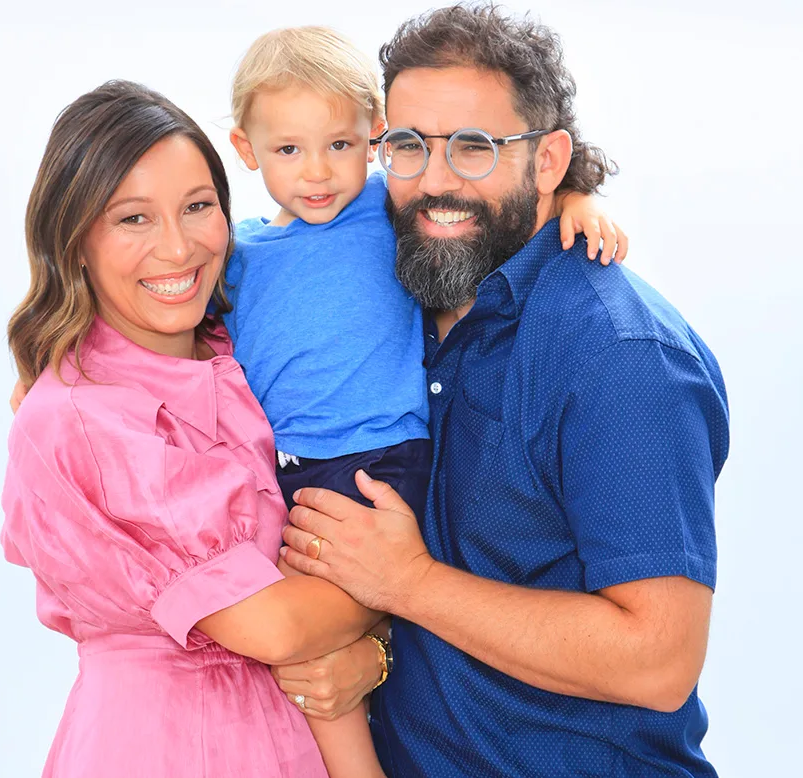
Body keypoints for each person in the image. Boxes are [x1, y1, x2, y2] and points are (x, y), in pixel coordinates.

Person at [279, 6, 730, 777]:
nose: (436, 181)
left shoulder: (620, 357)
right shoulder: (402, 298)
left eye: (477, 148)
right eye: (410, 147)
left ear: (551, 161)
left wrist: (411, 585)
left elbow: (657, 661)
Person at [0, 80, 389, 778]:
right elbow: (274, 625)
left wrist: (574, 194)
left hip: (289, 740)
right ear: (75, 241)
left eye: (198, 207)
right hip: (168, 751)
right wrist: (405, 583)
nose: (177, 249)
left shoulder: (232, 351)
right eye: (133, 219)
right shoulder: (82, 418)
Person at [223, 26, 626, 519]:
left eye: (338, 145)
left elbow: (502, 191)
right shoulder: (236, 254)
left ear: (373, 134)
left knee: (359, 579)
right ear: (246, 149)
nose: (317, 172)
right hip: (279, 462)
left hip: (384, 453)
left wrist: (574, 196)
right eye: (289, 150)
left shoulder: (380, 204)